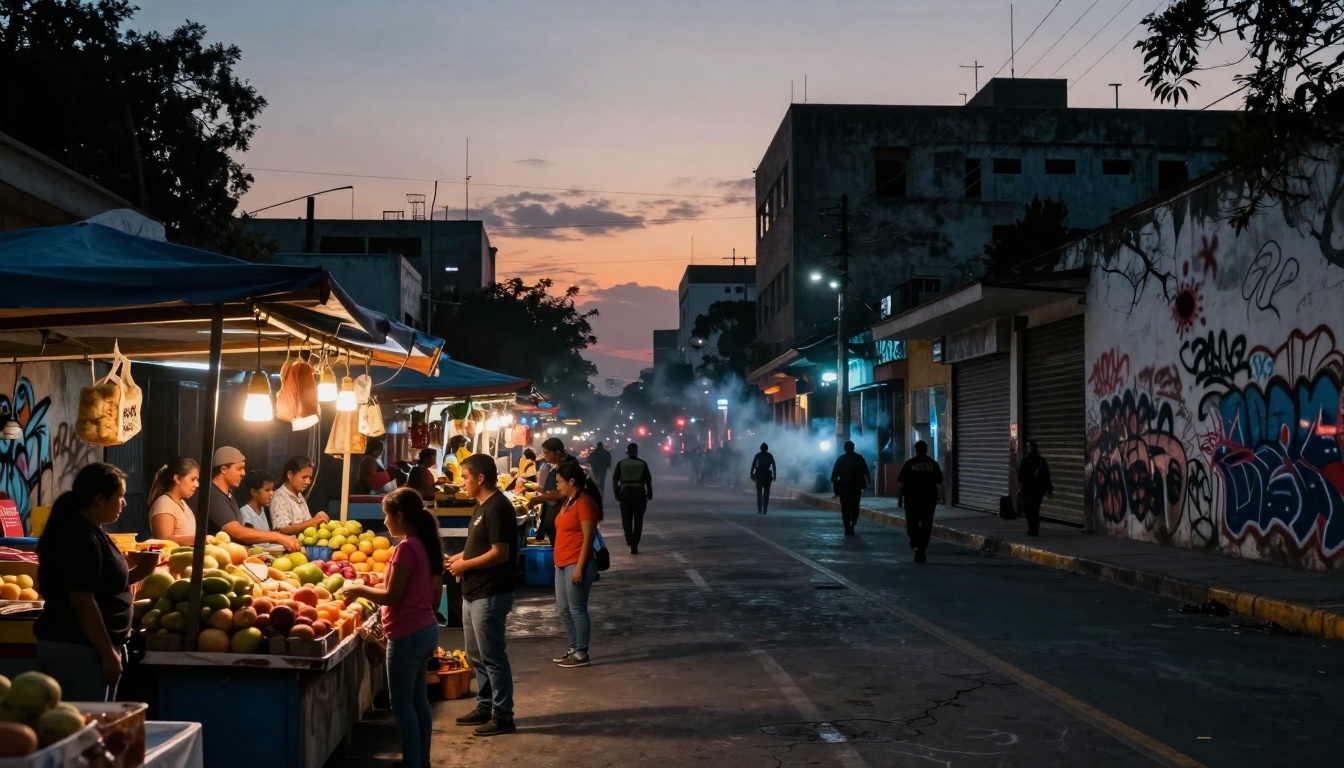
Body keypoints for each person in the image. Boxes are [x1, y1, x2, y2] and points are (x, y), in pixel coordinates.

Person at [34, 463, 159, 701]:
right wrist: (106, 652)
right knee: (85, 726)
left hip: (92, 647)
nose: (124, 503)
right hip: (79, 649)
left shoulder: (93, 531)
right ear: (100, 498)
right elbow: (82, 600)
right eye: (120, 496)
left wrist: (141, 571)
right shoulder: (80, 538)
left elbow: (103, 587)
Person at [343, 488, 444, 768]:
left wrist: (359, 588)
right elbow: (401, 588)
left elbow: (392, 597)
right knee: (418, 701)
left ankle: (412, 762)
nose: (385, 522)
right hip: (425, 629)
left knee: (402, 705)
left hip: (407, 635)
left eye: (387, 516)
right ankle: (421, 760)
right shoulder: (422, 543)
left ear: (400, 515)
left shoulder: (406, 548)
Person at [448, 454, 519, 737]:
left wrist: (465, 564)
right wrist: (458, 558)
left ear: (480, 478)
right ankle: (485, 704)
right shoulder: (480, 507)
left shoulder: (498, 507)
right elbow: (479, 547)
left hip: (490, 592)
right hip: (472, 591)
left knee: (492, 656)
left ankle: (503, 714)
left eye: (465, 477)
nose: (461, 482)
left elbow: (499, 553)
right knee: (475, 655)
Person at [551, 461, 602, 668]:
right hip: (561, 563)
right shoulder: (568, 501)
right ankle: (573, 648)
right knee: (563, 609)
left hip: (577, 563)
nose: (557, 486)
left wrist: (580, 567)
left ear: (571, 481)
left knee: (577, 609)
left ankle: (582, 652)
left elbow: (589, 538)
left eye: (560, 482)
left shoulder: (584, 503)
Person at [205, 446, 300, 551]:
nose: (243, 473)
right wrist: (278, 537)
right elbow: (237, 532)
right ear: (223, 469)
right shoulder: (214, 496)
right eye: (239, 468)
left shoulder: (228, 495)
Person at [897, 440, 944, 563]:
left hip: (912, 500)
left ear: (915, 450)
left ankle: (917, 546)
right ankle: (921, 549)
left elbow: (902, 483)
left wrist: (899, 499)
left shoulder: (909, 463)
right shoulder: (933, 464)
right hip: (928, 500)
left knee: (912, 525)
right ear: (926, 449)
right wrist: (940, 497)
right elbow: (939, 482)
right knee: (926, 525)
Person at [526, 437, 580, 544]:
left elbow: (561, 494)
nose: (545, 456)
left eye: (547, 453)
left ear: (558, 452)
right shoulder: (559, 464)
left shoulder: (568, 465)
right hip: (555, 514)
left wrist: (539, 498)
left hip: (562, 513)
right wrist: (541, 492)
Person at [269, 456, 330, 536]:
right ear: (290, 475)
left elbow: (306, 522)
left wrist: (319, 519)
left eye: (310, 478)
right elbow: (283, 528)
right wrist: (312, 522)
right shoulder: (279, 497)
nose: (308, 482)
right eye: (304, 477)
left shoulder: (299, 495)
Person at [147, 457, 200, 546]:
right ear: (177, 479)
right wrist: (198, 540)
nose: (196, 484)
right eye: (193, 479)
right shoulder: (164, 504)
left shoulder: (183, 503)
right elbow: (163, 540)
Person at [612, 443, 653, 554]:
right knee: (638, 520)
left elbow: (615, 479)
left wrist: (616, 492)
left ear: (627, 451)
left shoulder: (621, 463)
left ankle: (629, 538)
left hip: (625, 494)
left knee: (627, 518)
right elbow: (648, 480)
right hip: (639, 494)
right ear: (637, 451)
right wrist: (650, 493)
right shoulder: (642, 464)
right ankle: (635, 543)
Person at [831, 441, 870, 536]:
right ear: (853, 447)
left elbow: (834, 476)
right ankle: (852, 526)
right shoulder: (859, 458)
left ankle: (847, 527)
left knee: (845, 509)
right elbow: (866, 473)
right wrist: (868, 485)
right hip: (856, 488)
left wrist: (836, 490)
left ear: (845, 448)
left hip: (844, 488)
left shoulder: (840, 459)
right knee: (855, 508)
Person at [1017, 439, 1054, 537]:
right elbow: (1047, 476)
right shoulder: (1040, 461)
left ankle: (1032, 529)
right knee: (1035, 510)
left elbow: (1020, 475)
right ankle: (1034, 529)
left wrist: (1021, 484)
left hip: (1029, 490)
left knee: (1029, 510)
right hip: (1038, 490)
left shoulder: (1026, 460)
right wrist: (1049, 490)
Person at [750, 443, 776, 515]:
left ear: (760, 448)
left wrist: (752, 474)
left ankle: (760, 508)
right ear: (767, 449)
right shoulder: (769, 456)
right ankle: (765, 508)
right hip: (767, 475)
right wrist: (775, 475)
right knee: (766, 492)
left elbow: (754, 465)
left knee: (759, 492)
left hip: (759, 475)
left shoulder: (758, 455)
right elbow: (773, 465)